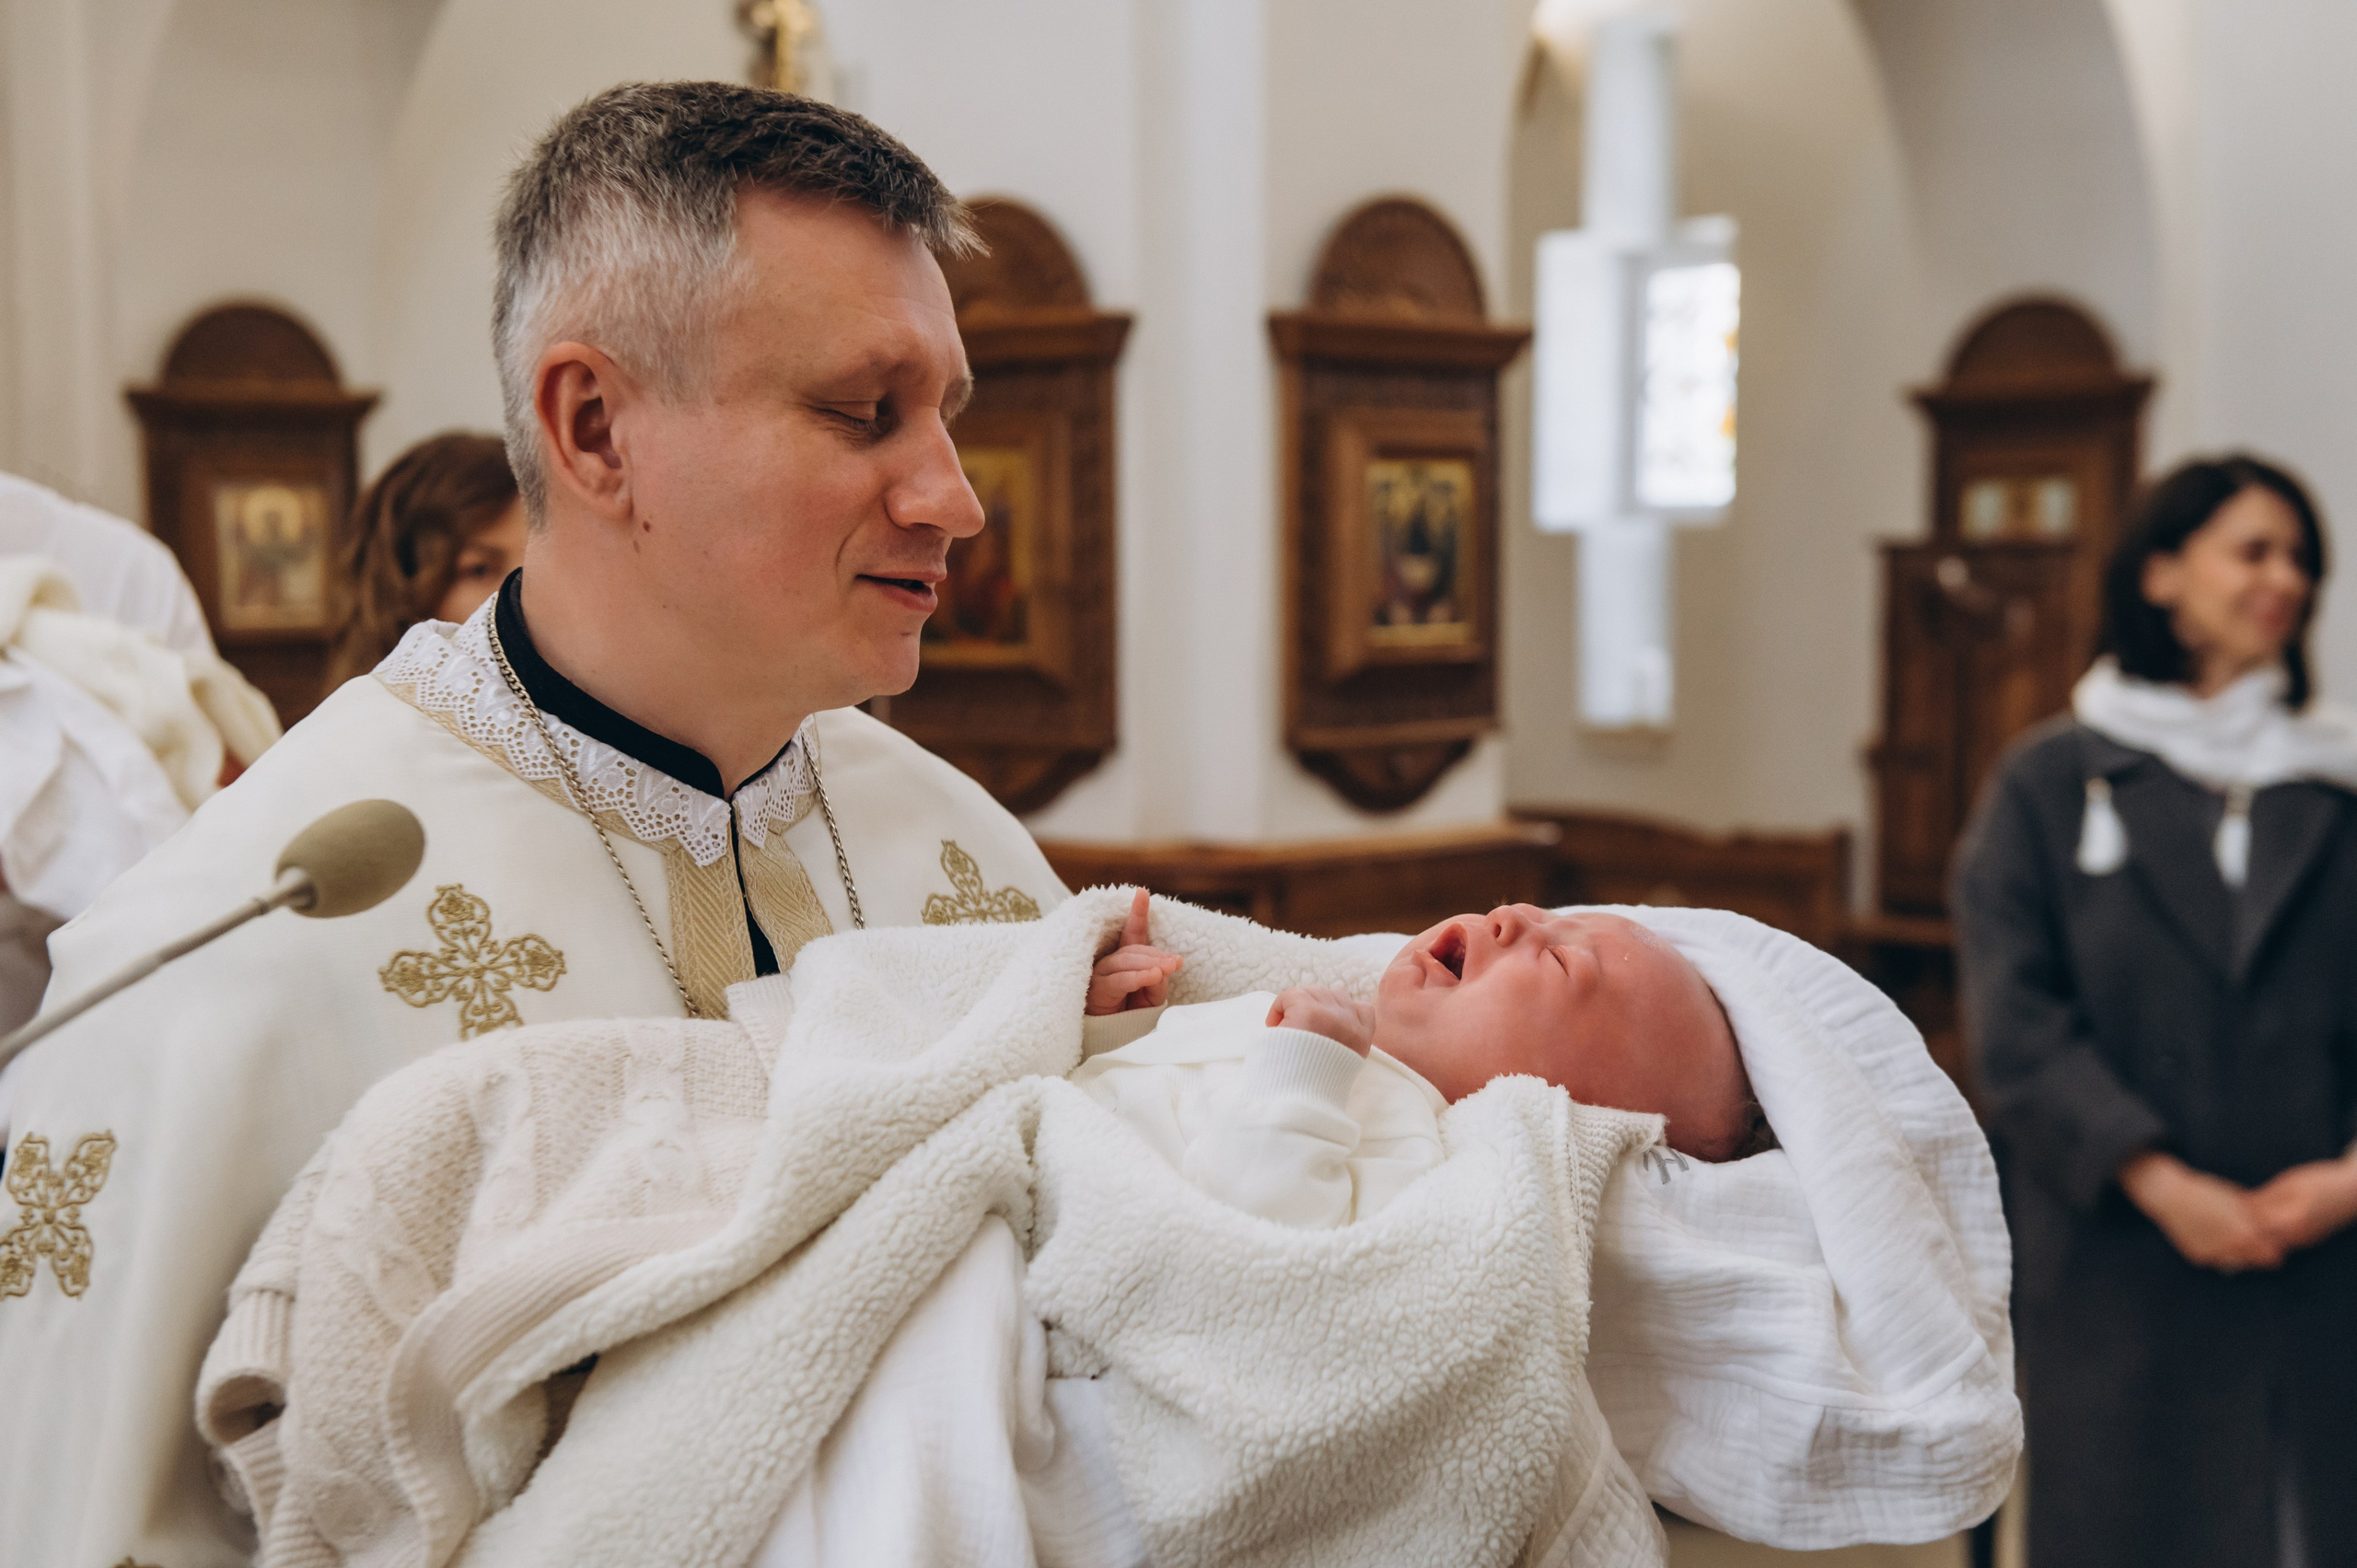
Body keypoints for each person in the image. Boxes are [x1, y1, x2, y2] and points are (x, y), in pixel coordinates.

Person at [0, 82, 1070, 1567]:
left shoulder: (970, 862)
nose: (953, 497)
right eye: (861, 412)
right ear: (594, 429)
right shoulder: (230, 950)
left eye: (948, 415)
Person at [1955, 453, 2357, 1568]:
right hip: (2126, 1256)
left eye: (2300, 559)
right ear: (2163, 572)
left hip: (2320, 1249)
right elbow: (2019, 1027)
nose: (2284, 578)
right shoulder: (2046, 783)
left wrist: (2346, 1180)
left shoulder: (2333, 782)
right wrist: (2163, 1183)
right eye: (2254, 550)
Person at [1077, 895, 1756, 1227]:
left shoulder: (1414, 1153)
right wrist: (1126, 1027)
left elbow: (1257, 1246)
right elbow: (1152, 1106)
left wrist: (1304, 1069)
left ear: (1550, 1099)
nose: (1511, 915)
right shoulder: (1345, 1033)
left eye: (1555, 960)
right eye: (1547, 913)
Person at [322, 431, 528, 690]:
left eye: (536, 570)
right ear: (401, 589)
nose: (522, 595)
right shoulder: (360, 726)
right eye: (480, 570)